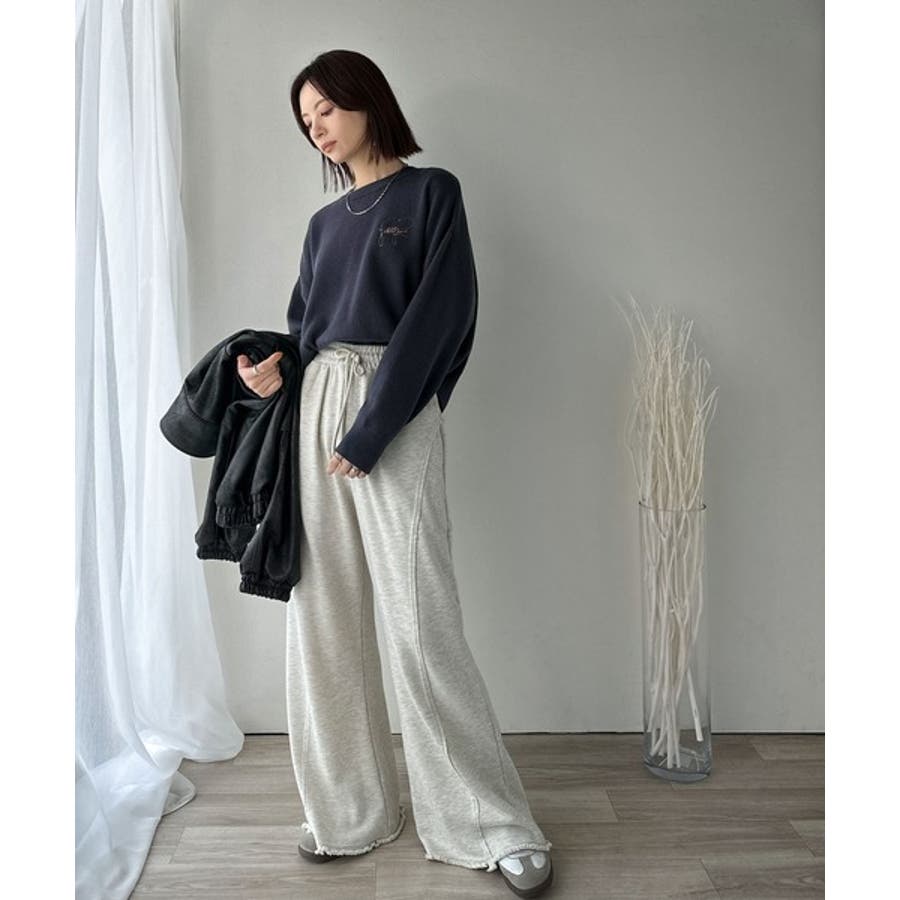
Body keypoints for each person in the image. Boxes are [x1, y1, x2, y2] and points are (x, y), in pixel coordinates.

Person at [236, 49, 553, 897]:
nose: (317, 128)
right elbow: (306, 333)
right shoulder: (323, 225)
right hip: (317, 406)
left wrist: (375, 425)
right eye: (306, 120)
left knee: (421, 621)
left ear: (366, 100)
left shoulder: (430, 193)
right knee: (324, 621)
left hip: (395, 408)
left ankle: (487, 823)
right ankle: (352, 813)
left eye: (326, 109)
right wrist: (274, 369)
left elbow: (442, 315)